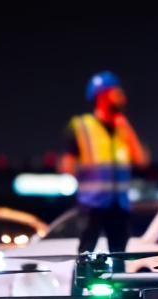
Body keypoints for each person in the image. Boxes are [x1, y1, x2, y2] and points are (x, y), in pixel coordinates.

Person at [60, 71, 149, 254]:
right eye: (116, 92)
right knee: (86, 255)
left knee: (119, 256)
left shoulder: (121, 128)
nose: (122, 97)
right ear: (102, 95)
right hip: (92, 205)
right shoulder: (81, 126)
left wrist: (126, 127)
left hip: (120, 205)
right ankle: (82, 283)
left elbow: (141, 159)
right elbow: (67, 166)